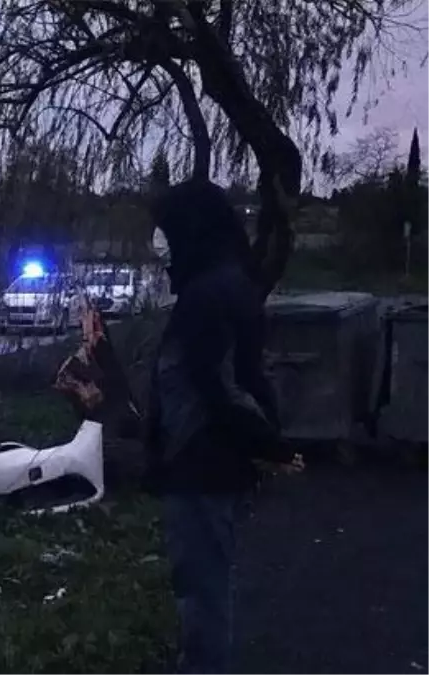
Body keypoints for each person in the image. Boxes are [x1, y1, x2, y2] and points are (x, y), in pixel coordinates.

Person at [144, 179, 304, 675]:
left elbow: (218, 387)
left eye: (167, 230)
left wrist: (271, 445)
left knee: (203, 594)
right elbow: (242, 378)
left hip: (201, 466)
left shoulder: (207, 296)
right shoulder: (228, 283)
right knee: (205, 587)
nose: (160, 245)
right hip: (209, 463)